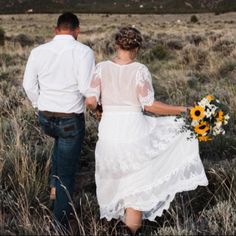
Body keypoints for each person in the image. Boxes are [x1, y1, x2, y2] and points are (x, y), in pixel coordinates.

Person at [85, 26, 208, 236]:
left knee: (118, 181)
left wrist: (98, 110)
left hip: (109, 131)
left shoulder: (101, 68)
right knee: (135, 189)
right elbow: (149, 105)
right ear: (137, 48)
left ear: (116, 45)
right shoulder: (139, 70)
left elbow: (90, 100)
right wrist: (184, 110)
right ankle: (129, 231)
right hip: (134, 130)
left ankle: (120, 228)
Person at [23, 12, 95, 228]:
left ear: (56, 30)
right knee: (67, 174)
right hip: (70, 120)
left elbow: (28, 85)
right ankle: (59, 226)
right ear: (77, 30)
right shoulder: (84, 52)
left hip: (45, 118)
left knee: (58, 150)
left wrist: (39, 104)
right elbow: (85, 87)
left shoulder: (38, 51)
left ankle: (54, 194)